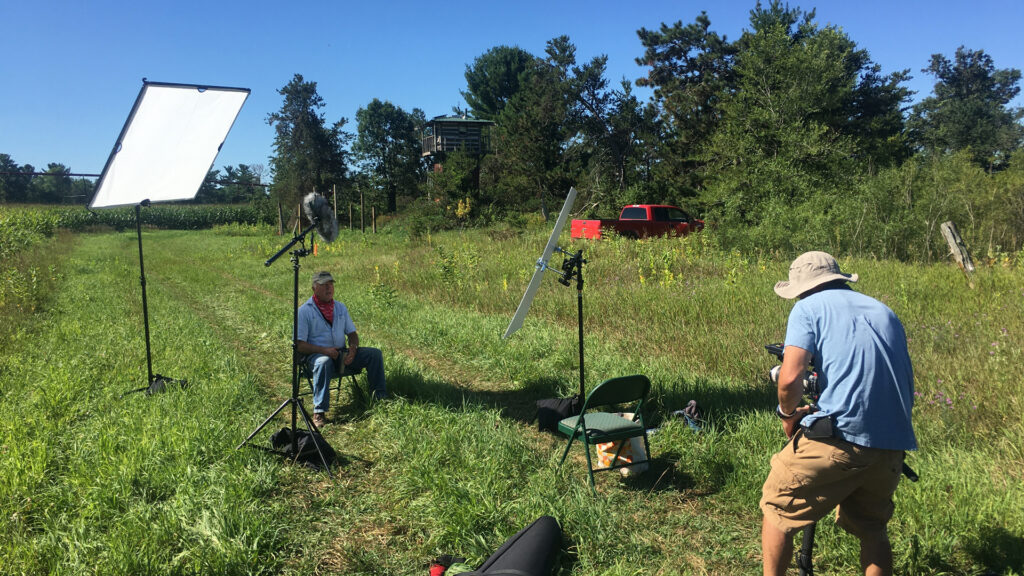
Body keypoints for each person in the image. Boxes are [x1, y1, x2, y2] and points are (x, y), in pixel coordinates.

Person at [761, 251, 916, 576]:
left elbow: (790, 378)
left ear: (803, 288)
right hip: (892, 445)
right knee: (872, 528)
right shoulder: (883, 310)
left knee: (776, 508)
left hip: (841, 438)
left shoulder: (808, 308)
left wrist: (787, 414)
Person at [296, 271, 388, 428]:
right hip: (316, 356)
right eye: (324, 285)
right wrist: (325, 351)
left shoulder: (339, 307)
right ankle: (319, 412)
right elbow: (299, 345)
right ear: (314, 288)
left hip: (341, 354)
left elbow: (352, 334)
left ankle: (379, 398)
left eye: (331, 284)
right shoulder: (304, 311)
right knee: (323, 362)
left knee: (374, 354)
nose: (329, 288)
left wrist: (352, 350)